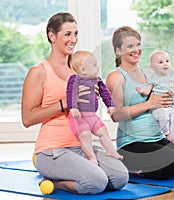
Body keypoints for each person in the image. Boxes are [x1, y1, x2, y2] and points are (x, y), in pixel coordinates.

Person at [21, 12, 128, 194]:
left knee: (120, 177)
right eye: (67, 34)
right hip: (52, 150)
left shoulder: (80, 70)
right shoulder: (39, 72)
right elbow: (27, 118)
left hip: (81, 147)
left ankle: (79, 172)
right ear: (52, 36)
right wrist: (65, 103)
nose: (73, 39)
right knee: (97, 182)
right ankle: (55, 180)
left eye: (76, 33)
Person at [106, 26, 174, 179]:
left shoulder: (149, 72)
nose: (136, 49)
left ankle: (155, 164)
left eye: (138, 44)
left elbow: (165, 90)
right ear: (118, 51)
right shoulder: (116, 76)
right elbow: (117, 115)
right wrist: (149, 104)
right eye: (130, 46)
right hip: (132, 144)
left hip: (157, 138)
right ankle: (130, 166)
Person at [67, 50, 123, 166]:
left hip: (92, 116)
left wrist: (110, 105)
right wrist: (73, 107)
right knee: (85, 134)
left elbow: (105, 93)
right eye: (94, 65)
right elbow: (70, 92)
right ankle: (91, 157)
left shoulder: (97, 80)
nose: (98, 68)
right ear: (83, 69)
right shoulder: (74, 79)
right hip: (79, 117)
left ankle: (111, 151)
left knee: (103, 130)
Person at [135, 50, 174, 144]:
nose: (165, 64)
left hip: (171, 105)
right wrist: (142, 92)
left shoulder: (172, 75)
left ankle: (173, 135)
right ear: (153, 67)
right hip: (158, 107)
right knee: (163, 117)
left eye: (167, 61)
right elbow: (148, 90)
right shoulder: (153, 78)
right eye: (160, 62)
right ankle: (167, 134)